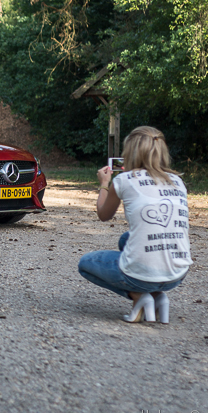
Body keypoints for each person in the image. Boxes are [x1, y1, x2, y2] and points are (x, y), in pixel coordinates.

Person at [78, 126, 192, 323]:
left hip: (143, 273)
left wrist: (104, 183)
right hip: (177, 274)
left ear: (129, 153)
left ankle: (140, 296)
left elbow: (103, 214)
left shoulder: (124, 180)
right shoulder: (177, 181)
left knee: (86, 264)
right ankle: (158, 296)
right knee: (126, 239)